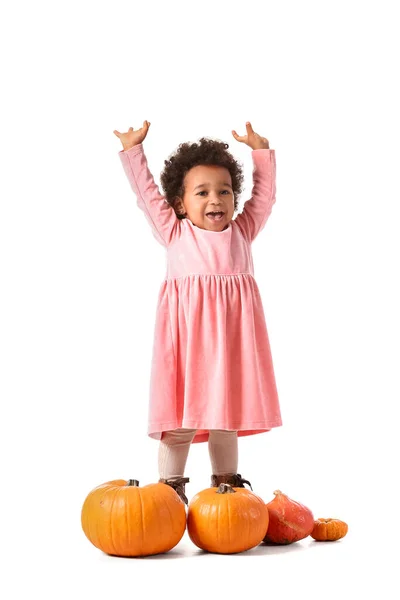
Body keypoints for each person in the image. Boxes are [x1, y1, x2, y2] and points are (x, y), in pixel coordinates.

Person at [113, 120, 282, 506]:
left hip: (233, 346)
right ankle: (169, 493)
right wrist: (133, 152)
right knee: (181, 421)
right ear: (179, 203)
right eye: (202, 192)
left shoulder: (243, 231)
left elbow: (265, 199)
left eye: (224, 191)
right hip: (188, 346)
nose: (215, 200)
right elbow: (145, 194)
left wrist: (262, 153)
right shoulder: (174, 233)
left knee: (227, 420)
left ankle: (229, 491)